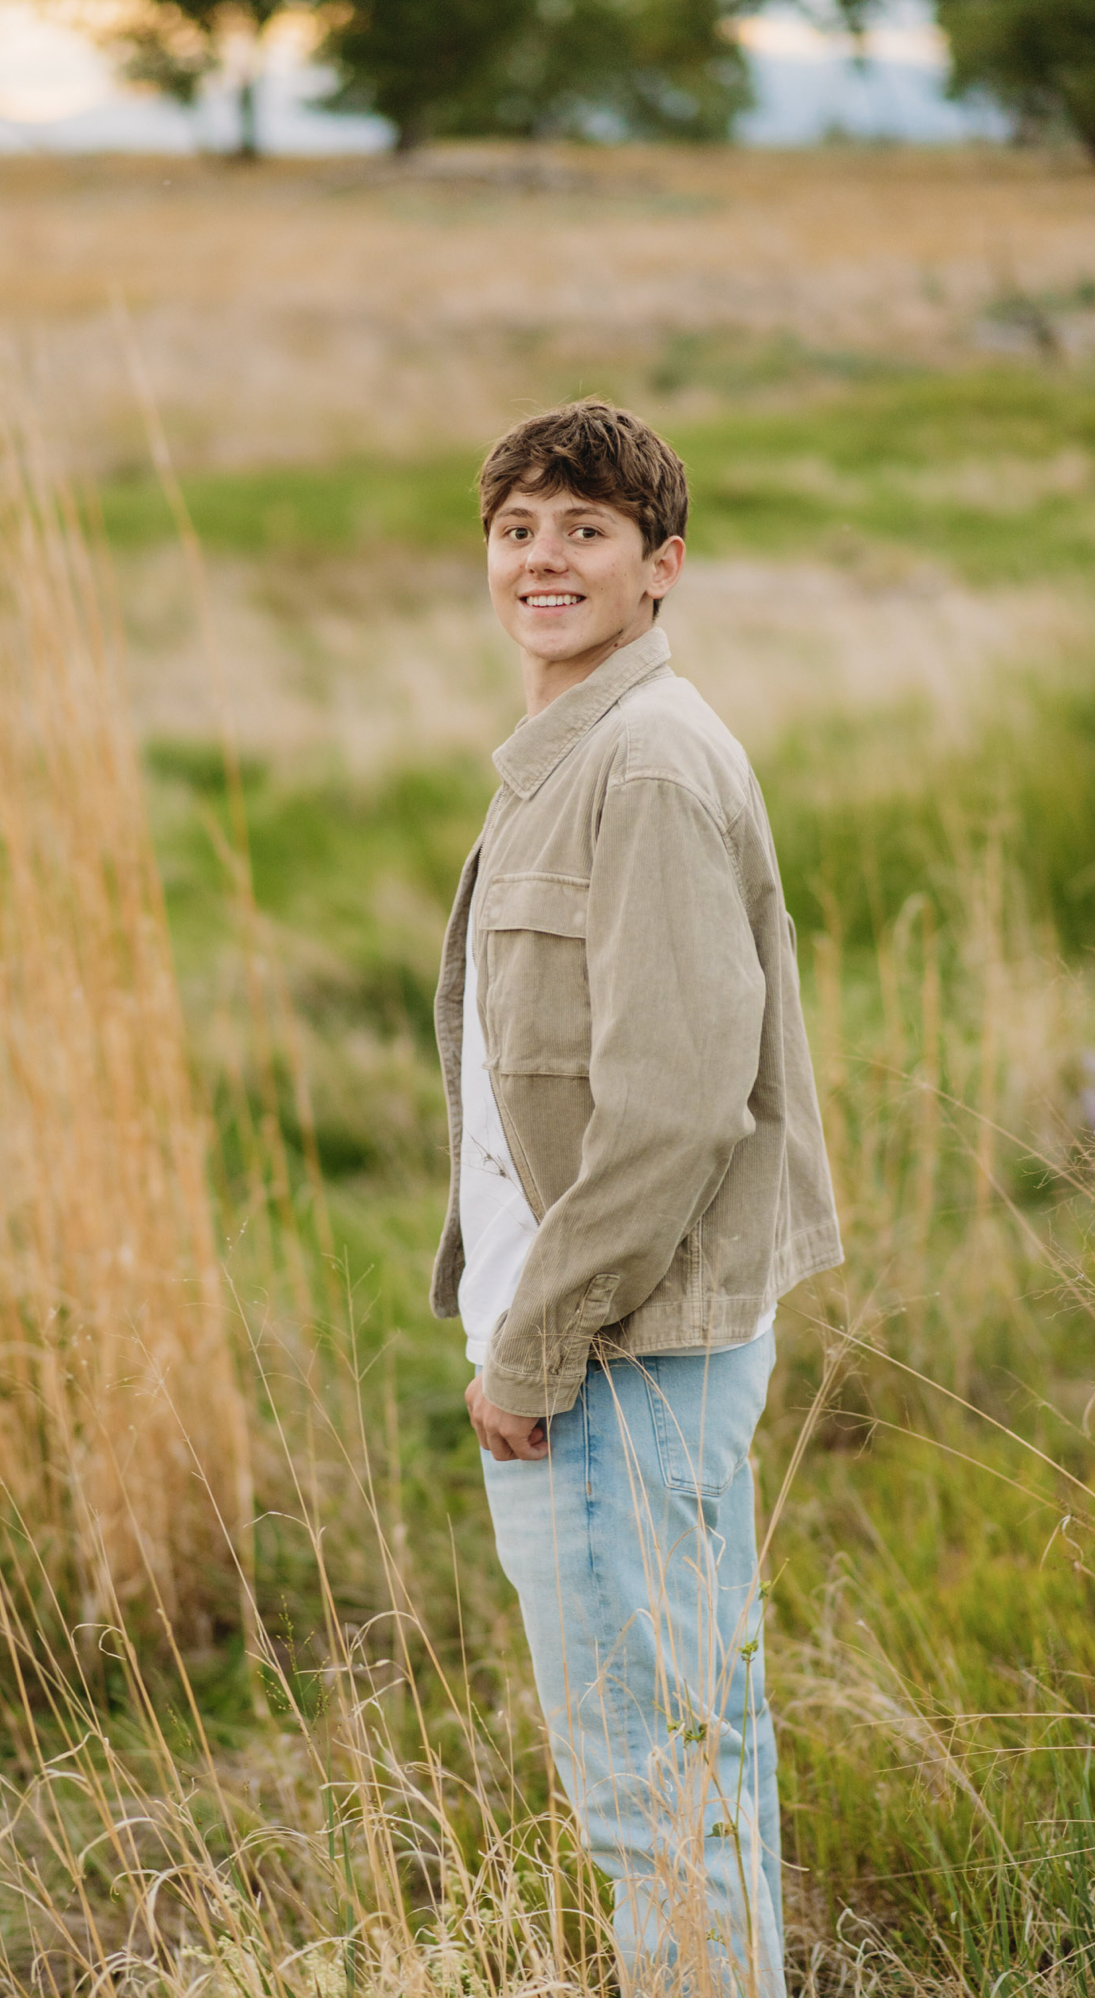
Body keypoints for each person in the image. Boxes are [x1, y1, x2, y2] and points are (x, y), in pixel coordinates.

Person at [429, 400, 843, 1995]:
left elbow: (673, 1106)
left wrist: (532, 1347)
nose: (545, 557)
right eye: (520, 527)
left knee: (649, 1776)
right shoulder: (569, 752)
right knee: (676, 1748)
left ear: (661, 565)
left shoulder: (648, 766)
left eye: (587, 529)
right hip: (597, 1342)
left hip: (615, 1359)